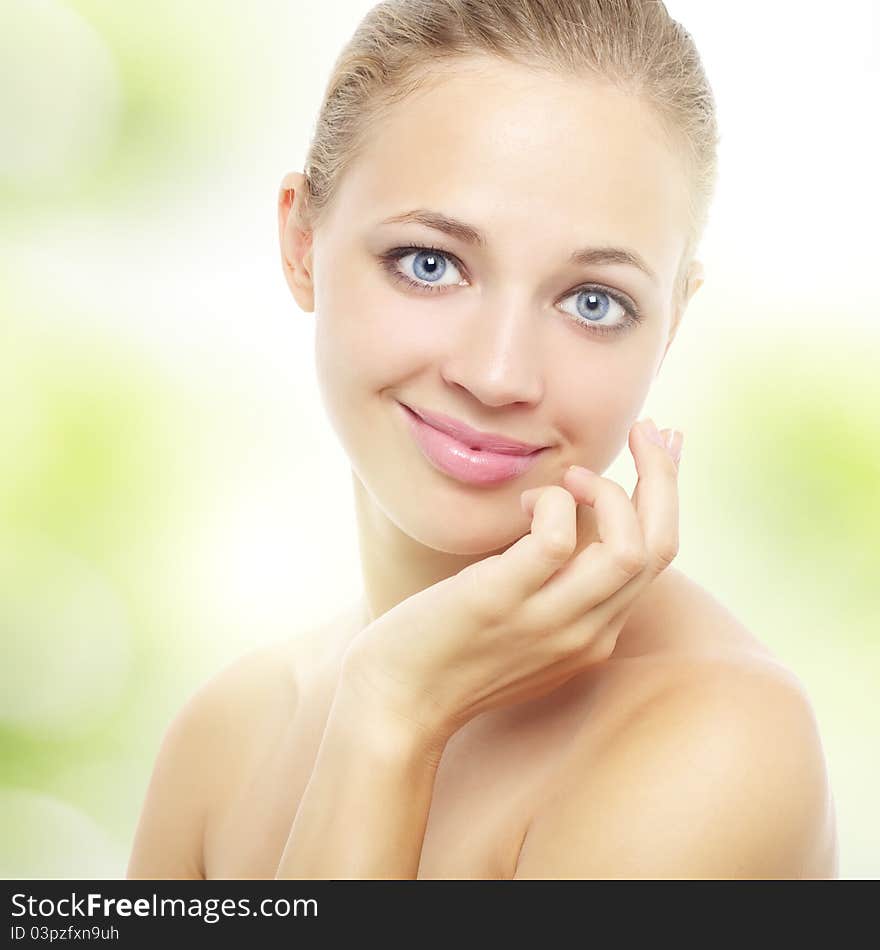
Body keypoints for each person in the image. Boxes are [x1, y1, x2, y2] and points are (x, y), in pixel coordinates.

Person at [126, 0, 838, 879]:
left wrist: (393, 710)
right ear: (301, 240)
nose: (499, 375)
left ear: (672, 325)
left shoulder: (719, 737)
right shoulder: (225, 739)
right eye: (431, 263)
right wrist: (383, 700)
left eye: (593, 302)